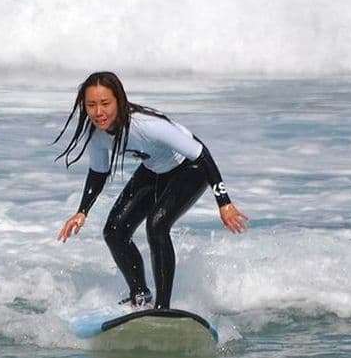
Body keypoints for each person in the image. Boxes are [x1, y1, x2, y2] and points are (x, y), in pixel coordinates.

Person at [55, 72, 247, 309]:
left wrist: (224, 202)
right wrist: (82, 211)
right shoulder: (97, 134)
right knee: (114, 232)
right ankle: (141, 295)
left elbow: (201, 153)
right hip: (154, 168)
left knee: (156, 226)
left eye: (105, 103)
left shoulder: (147, 125)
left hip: (191, 168)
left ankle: (163, 308)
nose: (98, 112)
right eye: (91, 105)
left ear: (119, 101)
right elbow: (98, 173)